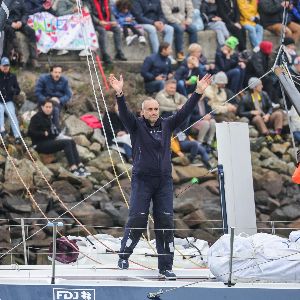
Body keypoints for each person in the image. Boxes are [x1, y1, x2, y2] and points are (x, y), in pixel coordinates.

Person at [109, 72, 212, 280]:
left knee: (165, 222)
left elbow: (185, 112)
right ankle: (124, 256)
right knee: (137, 218)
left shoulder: (167, 124)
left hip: (164, 182)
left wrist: (197, 93)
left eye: (156, 109)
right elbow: (124, 114)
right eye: (150, 109)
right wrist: (119, 94)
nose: (154, 112)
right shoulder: (135, 126)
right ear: (143, 111)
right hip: (142, 180)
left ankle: (165, 267)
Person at [28, 99, 89, 177]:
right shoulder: (36, 117)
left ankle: (80, 165)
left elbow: (51, 133)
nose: (48, 109)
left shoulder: (48, 117)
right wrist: (42, 133)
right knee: (66, 143)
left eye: (50, 107)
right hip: (39, 144)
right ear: (42, 107)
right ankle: (73, 168)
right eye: (46, 107)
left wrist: (54, 135)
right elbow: (29, 133)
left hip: (49, 142)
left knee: (71, 141)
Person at [238, 77, 284, 144]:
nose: (262, 86)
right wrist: (251, 112)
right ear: (254, 87)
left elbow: (270, 107)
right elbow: (240, 112)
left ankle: (277, 134)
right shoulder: (245, 98)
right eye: (260, 85)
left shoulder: (264, 94)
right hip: (256, 120)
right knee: (258, 118)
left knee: (278, 114)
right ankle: (267, 135)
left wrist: (268, 115)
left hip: (265, 117)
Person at [3, 0, 39, 67]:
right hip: (6, 24)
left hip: (19, 23)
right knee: (9, 31)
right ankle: (10, 57)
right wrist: (10, 23)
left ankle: (34, 59)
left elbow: (25, 13)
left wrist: (22, 22)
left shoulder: (20, 1)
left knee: (31, 31)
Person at [35, 65, 72, 129]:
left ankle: (55, 130)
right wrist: (48, 100)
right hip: (45, 101)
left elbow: (68, 94)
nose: (57, 74)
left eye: (59, 72)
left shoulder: (64, 81)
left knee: (55, 109)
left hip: (58, 102)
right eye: (55, 72)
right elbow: (37, 93)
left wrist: (60, 100)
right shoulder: (43, 79)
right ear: (51, 72)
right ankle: (56, 130)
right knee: (54, 110)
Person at [0, 57, 22, 144]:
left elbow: (18, 89)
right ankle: (1, 130)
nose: (5, 67)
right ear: (0, 66)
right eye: (4, 66)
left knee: (12, 114)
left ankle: (17, 136)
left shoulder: (13, 76)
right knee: (0, 110)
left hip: (8, 100)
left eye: (7, 66)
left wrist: (13, 91)